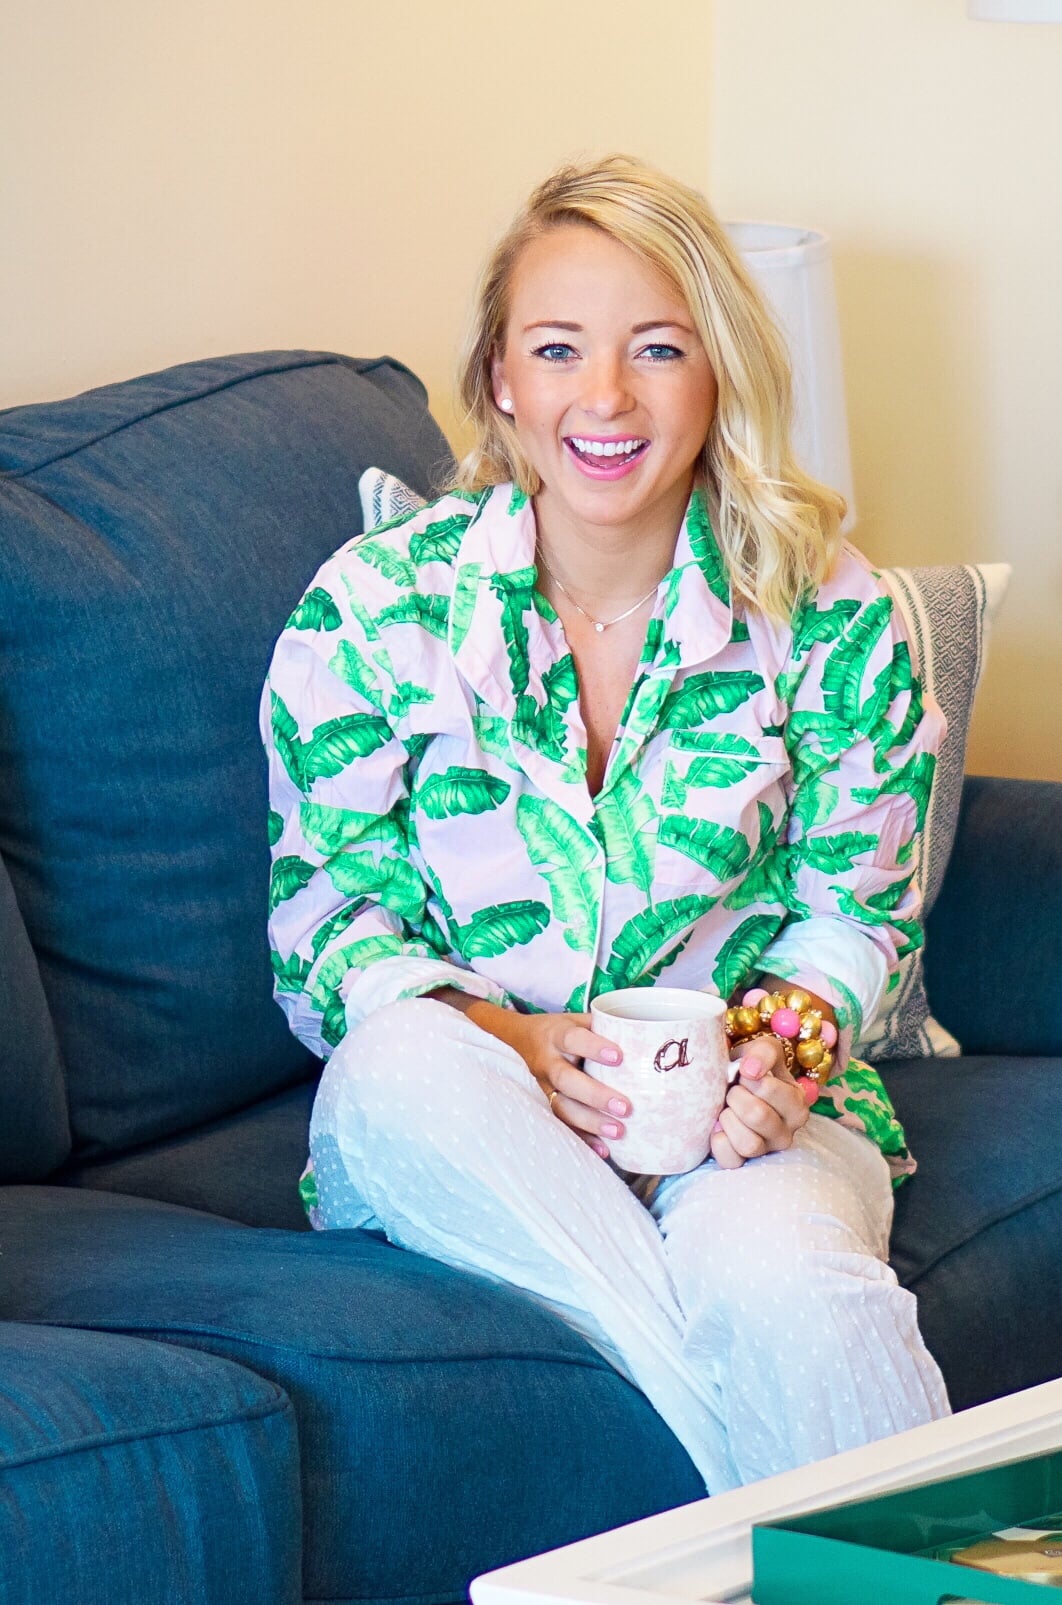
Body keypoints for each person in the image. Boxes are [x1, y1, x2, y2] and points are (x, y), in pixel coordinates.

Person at [261, 154, 951, 1495]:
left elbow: (854, 911)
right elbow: (325, 925)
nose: (607, 398)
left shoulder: (828, 608)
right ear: (502, 380)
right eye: (559, 348)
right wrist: (514, 1043)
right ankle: (752, 1466)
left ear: (718, 375)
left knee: (796, 1286)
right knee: (394, 1067)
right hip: (471, 1120)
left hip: (738, 1117)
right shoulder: (374, 609)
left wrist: (782, 1052)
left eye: (657, 348)